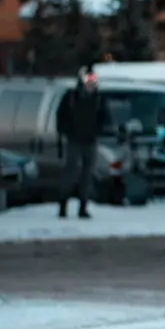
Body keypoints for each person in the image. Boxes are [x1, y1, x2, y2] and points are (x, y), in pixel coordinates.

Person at [56, 66, 108, 219]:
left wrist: (99, 130)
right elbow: (61, 117)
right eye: (87, 79)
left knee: (88, 175)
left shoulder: (98, 99)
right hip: (74, 141)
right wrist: (67, 132)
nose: (90, 83)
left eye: (93, 79)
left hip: (91, 141)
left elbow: (105, 118)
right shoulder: (71, 97)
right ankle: (63, 204)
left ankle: (83, 206)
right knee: (71, 173)